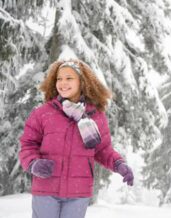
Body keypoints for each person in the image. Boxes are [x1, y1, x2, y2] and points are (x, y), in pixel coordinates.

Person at [19, 60, 134, 218]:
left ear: (82, 82)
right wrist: (33, 163)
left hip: (78, 191)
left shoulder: (95, 116)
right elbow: (28, 144)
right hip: (46, 187)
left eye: (69, 78)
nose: (62, 83)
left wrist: (119, 164)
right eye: (59, 79)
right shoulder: (43, 113)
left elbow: (103, 150)